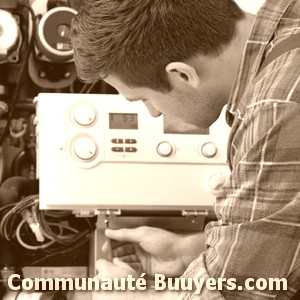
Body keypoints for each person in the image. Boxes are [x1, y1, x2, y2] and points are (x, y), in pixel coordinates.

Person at [70, 0, 300, 298]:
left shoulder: (277, 108)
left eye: (142, 98)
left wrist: (131, 296)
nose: (152, 113)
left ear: (182, 74)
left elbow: (238, 293)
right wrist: (189, 251)